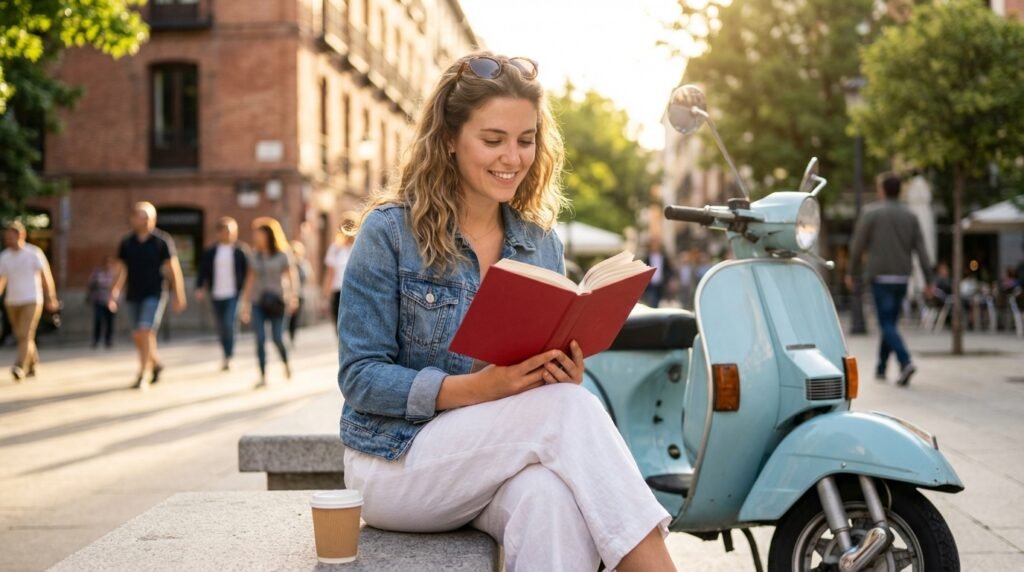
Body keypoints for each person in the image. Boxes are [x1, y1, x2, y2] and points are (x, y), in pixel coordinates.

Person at [337, 53, 675, 571]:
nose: (513, 158)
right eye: (493, 140)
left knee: (550, 500)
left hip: (497, 454)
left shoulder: (540, 244)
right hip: (395, 460)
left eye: (526, 139)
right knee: (568, 410)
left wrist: (561, 373)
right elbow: (360, 377)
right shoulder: (389, 233)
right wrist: (477, 389)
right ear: (449, 139)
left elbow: (537, 390)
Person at [847, 174, 934, 387]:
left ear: (882, 190)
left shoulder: (871, 213)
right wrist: (929, 280)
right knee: (890, 322)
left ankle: (905, 361)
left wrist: (851, 272)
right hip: (902, 275)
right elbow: (922, 250)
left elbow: (857, 246)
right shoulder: (911, 216)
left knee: (886, 322)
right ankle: (881, 367)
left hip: (880, 276)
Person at [109, 202, 187, 389]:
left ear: (152, 219)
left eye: (146, 217)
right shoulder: (127, 242)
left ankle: (142, 374)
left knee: (145, 331)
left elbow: (173, 269)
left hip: (155, 292)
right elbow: (120, 270)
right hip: (133, 293)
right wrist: (113, 291)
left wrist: (179, 294)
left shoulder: (161, 241)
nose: (142, 220)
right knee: (138, 335)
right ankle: (156, 363)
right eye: (138, 216)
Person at [240, 218, 298, 388]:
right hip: (258, 301)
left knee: (278, 338)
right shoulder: (254, 255)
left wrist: (293, 297)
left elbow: (291, 276)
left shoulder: (282, 254)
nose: (256, 237)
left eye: (259, 234)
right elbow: (249, 280)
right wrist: (245, 304)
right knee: (259, 338)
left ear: (268, 235)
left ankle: (286, 363)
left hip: (278, 301)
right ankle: (263, 375)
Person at [0, 221, 59, 380]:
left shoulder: (34, 253)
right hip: (12, 301)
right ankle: (33, 362)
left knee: (25, 333)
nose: (8, 240)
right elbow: (2, 280)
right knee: (22, 335)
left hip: (32, 299)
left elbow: (46, 277)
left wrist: (50, 297)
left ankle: (19, 366)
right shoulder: (4, 257)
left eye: (11, 237)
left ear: (21, 235)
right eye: (7, 238)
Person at [195, 217, 249, 371]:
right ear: (218, 233)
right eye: (225, 232)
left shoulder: (240, 251)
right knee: (220, 326)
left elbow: (248, 273)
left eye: (231, 232)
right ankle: (225, 353)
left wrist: (247, 293)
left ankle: (229, 355)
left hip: (233, 293)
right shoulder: (211, 251)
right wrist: (199, 287)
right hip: (216, 293)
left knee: (229, 323)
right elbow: (203, 271)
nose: (228, 234)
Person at [321, 215, 356, 334]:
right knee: (339, 325)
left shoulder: (360, 247)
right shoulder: (335, 249)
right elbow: (329, 273)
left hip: (355, 290)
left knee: (353, 324)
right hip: (338, 291)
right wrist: (325, 296)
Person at [86, 255, 119, 349]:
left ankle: (108, 340)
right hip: (99, 299)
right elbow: (90, 284)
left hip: (110, 301)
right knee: (98, 320)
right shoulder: (97, 272)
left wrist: (115, 299)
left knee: (110, 321)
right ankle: (96, 340)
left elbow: (117, 287)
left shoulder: (114, 274)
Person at [288, 239, 312, 346]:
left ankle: (292, 336)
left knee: (295, 318)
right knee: (288, 317)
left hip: (300, 294)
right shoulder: (288, 263)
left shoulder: (303, 264)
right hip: (287, 294)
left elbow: (309, 276)